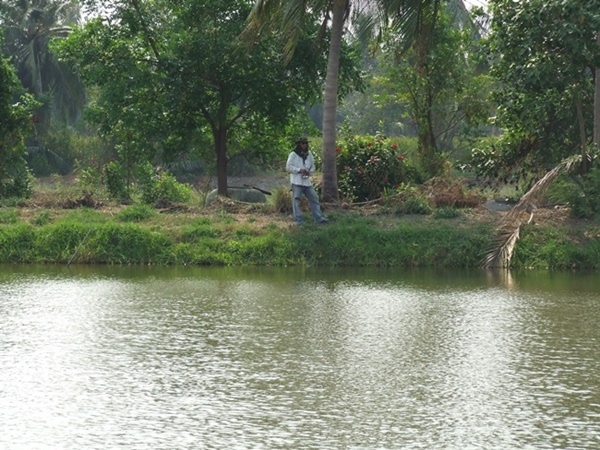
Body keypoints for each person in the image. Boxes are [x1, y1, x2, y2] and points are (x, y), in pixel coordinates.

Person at [286, 137, 329, 225]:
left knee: (314, 198)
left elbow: (313, 166)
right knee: (296, 200)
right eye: (302, 143)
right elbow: (288, 167)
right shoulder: (293, 154)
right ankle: (298, 220)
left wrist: (309, 171)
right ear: (299, 144)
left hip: (306, 182)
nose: (304, 145)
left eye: (305, 143)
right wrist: (299, 170)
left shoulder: (309, 154)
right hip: (297, 181)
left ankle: (319, 217)